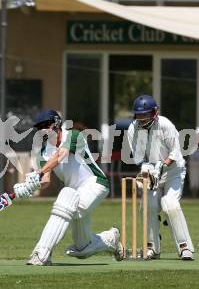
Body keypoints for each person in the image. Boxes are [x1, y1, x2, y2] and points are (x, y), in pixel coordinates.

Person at [13, 110, 123, 266]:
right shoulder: (44, 152)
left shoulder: (73, 135)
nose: (43, 130)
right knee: (82, 247)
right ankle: (111, 239)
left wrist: (38, 172)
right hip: (75, 193)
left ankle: (41, 253)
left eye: (46, 125)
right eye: (40, 127)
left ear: (57, 123)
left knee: (65, 197)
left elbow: (61, 155)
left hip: (95, 184)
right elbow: (45, 180)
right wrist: (29, 186)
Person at [127, 95, 195, 261]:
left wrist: (161, 166)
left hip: (173, 171)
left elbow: (175, 152)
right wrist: (147, 170)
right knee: (148, 205)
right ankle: (152, 247)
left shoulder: (165, 124)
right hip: (152, 171)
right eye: (139, 115)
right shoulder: (133, 129)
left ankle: (185, 247)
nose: (142, 118)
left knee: (169, 204)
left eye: (145, 114)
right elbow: (137, 157)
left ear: (154, 112)